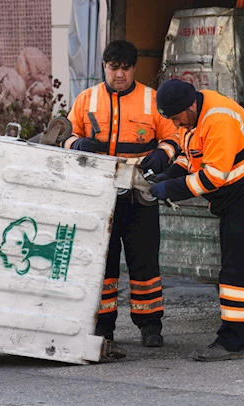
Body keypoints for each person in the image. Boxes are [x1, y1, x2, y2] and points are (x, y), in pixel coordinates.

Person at [149, 79, 244, 362]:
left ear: (190, 106)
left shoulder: (218, 119)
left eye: (176, 118)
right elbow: (193, 157)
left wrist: (169, 189)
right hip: (242, 197)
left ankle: (232, 341)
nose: (175, 125)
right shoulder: (195, 118)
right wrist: (170, 174)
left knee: (238, 272)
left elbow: (213, 177)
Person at [63, 40, 179, 359]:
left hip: (140, 191)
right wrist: (79, 145)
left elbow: (174, 138)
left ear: (134, 68)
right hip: (99, 196)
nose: (119, 75)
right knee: (103, 262)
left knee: (144, 260)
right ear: (104, 66)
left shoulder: (151, 100)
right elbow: (65, 136)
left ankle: (150, 325)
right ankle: (103, 327)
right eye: (114, 68)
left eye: (126, 68)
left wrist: (161, 154)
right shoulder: (86, 100)